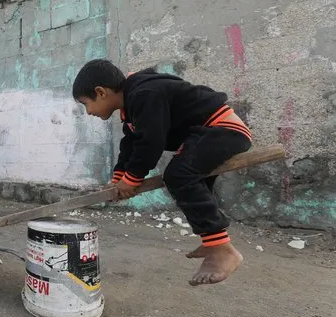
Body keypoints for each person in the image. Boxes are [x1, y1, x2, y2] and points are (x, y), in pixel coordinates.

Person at [72, 59, 252, 286]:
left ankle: (223, 250)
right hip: (204, 135)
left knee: (179, 175)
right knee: (191, 183)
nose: (88, 112)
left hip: (222, 129)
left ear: (101, 92)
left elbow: (150, 143)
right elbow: (131, 144)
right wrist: (118, 179)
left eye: (85, 103)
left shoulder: (144, 94)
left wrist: (132, 179)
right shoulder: (132, 105)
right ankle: (212, 239)